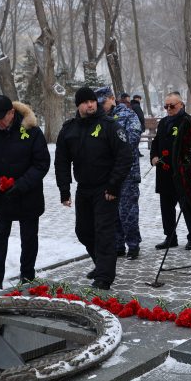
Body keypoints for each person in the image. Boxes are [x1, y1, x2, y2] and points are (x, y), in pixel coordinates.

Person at [55, 87, 132, 290]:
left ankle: (104, 278)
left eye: (92, 101)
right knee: (83, 231)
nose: (90, 104)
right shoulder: (69, 129)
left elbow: (125, 156)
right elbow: (61, 161)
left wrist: (114, 185)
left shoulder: (109, 125)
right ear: (78, 105)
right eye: (85, 102)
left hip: (106, 189)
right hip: (84, 188)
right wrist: (64, 190)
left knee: (104, 232)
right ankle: (102, 264)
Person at [0, 95, 50, 289]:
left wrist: (22, 184)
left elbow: (41, 164)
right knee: (0, 236)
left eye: (2, 117)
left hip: (28, 195)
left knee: (29, 237)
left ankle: (27, 276)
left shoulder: (31, 131)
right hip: (2, 196)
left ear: (12, 113)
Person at [96, 86, 142, 260]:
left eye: (103, 102)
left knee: (128, 211)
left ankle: (133, 244)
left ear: (111, 98)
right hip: (109, 173)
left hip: (128, 172)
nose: (102, 106)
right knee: (112, 211)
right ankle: (118, 244)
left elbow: (134, 136)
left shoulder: (128, 115)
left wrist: (113, 148)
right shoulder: (101, 119)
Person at [151, 92, 191, 251]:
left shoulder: (188, 121)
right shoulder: (163, 122)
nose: (168, 109)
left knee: (187, 206)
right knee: (166, 206)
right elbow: (156, 142)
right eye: (166, 106)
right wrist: (154, 156)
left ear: (181, 105)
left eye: (172, 106)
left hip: (181, 173)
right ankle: (170, 237)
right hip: (164, 172)